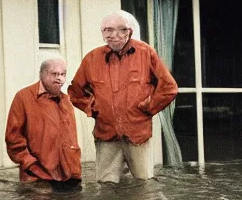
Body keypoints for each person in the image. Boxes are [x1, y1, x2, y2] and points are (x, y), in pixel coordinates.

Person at [68, 10, 178, 183]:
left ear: (130, 32)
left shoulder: (146, 53)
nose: (114, 35)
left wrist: (149, 107)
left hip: (137, 134)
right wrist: (93, 107)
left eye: (121, 30)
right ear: (102, 33)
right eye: (108, 30)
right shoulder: (92, 58)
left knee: (143, 183)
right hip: (106, 134)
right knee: (106, 185)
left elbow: (169, 87)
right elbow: (75, 92)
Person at [6, 58, 82, 193]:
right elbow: (13, 139)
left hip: (69, 177)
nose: (60, 79)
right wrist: (32, 166)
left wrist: (75, 169)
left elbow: (70, 139)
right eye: (54, 74)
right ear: (42, 74)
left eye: (63, 74)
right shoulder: (23, 98)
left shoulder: (66, 101)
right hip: (38, 179)